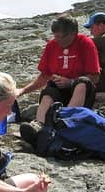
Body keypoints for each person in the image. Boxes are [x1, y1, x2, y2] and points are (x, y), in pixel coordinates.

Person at [16, 16, 100, 144]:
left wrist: (70, 82)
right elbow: (44, 76)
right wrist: (23, 91)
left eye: (61, 37)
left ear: (73, 34)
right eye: (55, 36)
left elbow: (95, 76)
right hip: (60, 90)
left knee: (82, 83)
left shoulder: (86, 44)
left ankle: (66, 123)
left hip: (81, 92)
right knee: (49, 90)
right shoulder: (52, 45)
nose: (57, 40)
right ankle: (39, 126)